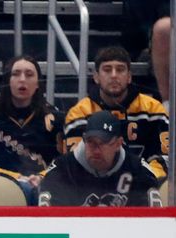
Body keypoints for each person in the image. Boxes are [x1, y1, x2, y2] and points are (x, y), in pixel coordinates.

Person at [64, 46, 169, 180]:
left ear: (129, 77)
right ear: (96, 77)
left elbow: (165, 157)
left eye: (120, 70)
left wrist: (144, 177)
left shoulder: (153, 110)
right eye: (107, 70)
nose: (114, 75)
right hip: (94, 184)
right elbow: (75, 162)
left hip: (142, 185)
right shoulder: (80, 113)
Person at [0, 55, 64, 204]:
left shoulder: (56, 118)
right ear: (7, 81)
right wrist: (14, 178)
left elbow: (63, 162)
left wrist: (41, 177)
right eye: (16, 74)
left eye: (29, 75)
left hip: (44, 188)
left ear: (38, 83)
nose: (22, 80)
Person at [39, 111, 162, 207]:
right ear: (83, 139)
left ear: (118, 143)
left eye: (103, 143)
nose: (96, 150)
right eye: (91, 142)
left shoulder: (138, 171)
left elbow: (151, 225)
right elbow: (49, 225)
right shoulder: (62, 170)